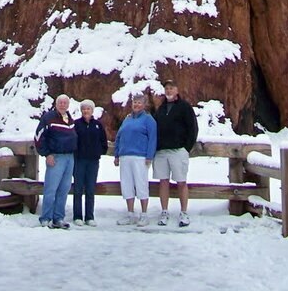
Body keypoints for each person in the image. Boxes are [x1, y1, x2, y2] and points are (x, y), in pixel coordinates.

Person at [153, 78, 198, 227]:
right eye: (167, 88)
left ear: (177, 90)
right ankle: (164, 211)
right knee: (163, 181)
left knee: (181, 181)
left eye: (171, 88)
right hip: (161, 151)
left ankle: (183, 212)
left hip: (178, 151)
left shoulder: (184, 107)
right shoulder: (161, 108)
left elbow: (192, 128)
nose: (169, 90)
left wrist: (186, 148)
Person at [113, 90, 157, 226]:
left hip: (140, 157)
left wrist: (149, 156)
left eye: (139, 103)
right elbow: (119, 136)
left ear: (144, 105)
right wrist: (117, 154)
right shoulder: (127, 119)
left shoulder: (148, 120)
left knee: (141, 184)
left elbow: (152, 138)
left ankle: (144, 215)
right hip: (125, 156)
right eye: (134, 102)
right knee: (127, 185)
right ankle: (130, 214)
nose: (136, 105)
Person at [35, 93, 77, 228]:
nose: (63, 105)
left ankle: (58, 218)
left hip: (69, 157)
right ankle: (45, 218)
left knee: (64, 189)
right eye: (60, 102)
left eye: (65, 103)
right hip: (56, 157)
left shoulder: (69, 119)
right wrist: (47, 154)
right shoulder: (49, 118)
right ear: (56, 104)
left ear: (68, 105)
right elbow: (38, 137)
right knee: (51, 189)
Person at [73, 99, 108, 226]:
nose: (86, 111)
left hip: (93, 161)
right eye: (84, 109)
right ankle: (77, 216)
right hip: (79, 160)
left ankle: (89, 216)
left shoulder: (97, 125)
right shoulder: (76, 124)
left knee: (90, 188)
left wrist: (99, 151)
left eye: (88, 108)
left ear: (92, 110)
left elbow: (103, 140)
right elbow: (72, 140)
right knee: (78, 188)